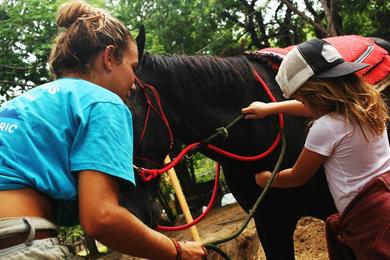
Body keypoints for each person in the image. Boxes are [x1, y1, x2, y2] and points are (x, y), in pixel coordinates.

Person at [0, 1, 207, 259]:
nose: (133, 85)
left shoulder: (24, 104)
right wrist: (177, 251)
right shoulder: (102, 101)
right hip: (16, 242)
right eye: (132, 68)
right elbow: (101, 218)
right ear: (109, 58)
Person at [242, 38, 390, 259]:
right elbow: (313, 109)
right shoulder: (365, 102)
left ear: (315, 93)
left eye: (302, 97)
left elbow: (296, 177)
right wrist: (270, 108)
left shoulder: (325, 128)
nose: (302, 103)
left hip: (365, 218)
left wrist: (266, 179)